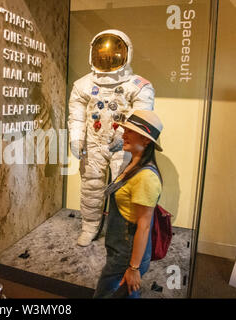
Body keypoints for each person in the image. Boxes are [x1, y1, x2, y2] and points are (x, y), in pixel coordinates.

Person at [68, 30, 155, 246]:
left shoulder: (139, 86)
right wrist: (76, 138)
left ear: (126, 54)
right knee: (91, 186)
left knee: (123, 188)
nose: (107, 59)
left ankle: (122, 234)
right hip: (93, 143)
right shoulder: (83, 85)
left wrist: (122, 135)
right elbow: (76, 117)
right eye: (102, 54)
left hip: (124, 144)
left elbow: (142, 116)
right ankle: (89, 227)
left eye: (113, 54)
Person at [93, 109, 163, 299]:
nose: (125, 134)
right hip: (119, 251)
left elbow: (144, 225)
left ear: (146, 140)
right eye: (126, 130)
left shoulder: (146, 177)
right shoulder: (133, 165)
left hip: (127, 256)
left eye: (131, 131)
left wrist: (133, 268)